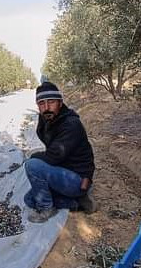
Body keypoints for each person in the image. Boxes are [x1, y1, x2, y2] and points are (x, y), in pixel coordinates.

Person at [24, 82, 96, 223]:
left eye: (51, 102)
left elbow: (54, 156)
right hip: (63, 169)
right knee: (29, 199)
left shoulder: (70, 124)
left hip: (78, 177)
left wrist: (34, 156)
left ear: (60, 103)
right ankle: (76, 203)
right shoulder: (46, 118)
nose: (46, 108)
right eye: (42, 103)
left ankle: (47, 208)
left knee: (32, 165)